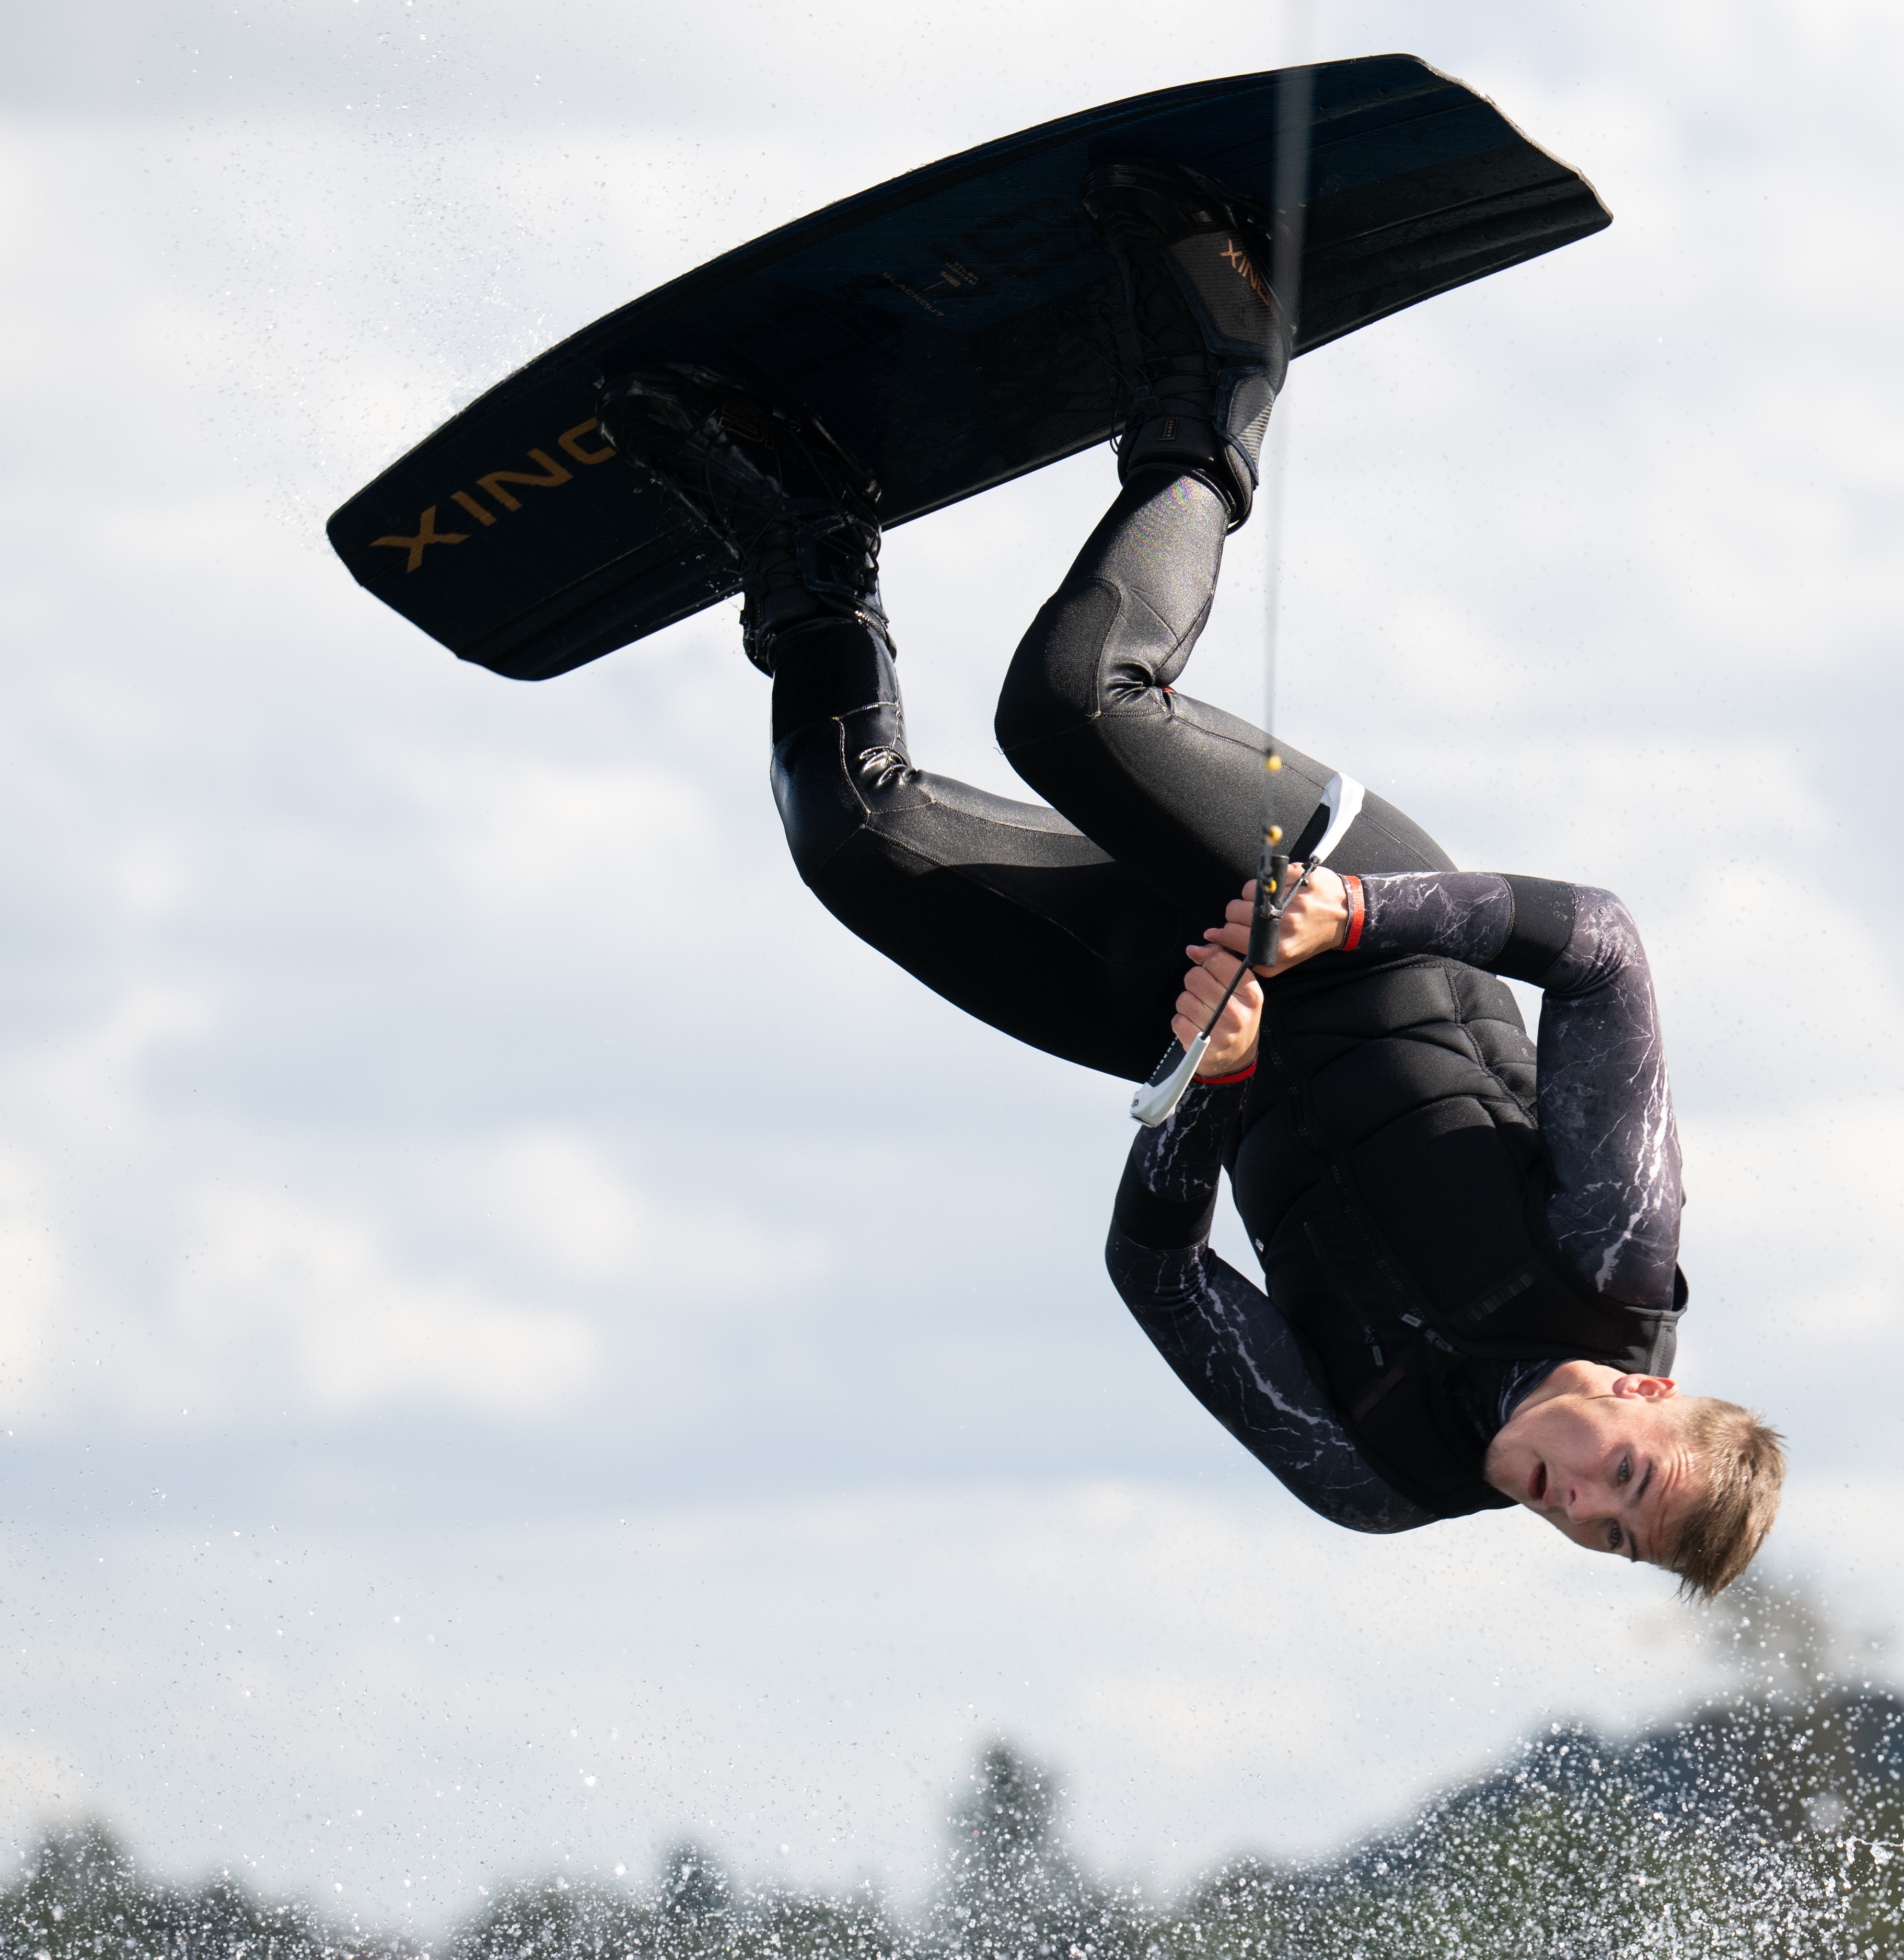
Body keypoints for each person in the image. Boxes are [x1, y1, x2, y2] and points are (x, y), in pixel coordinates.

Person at [596, 161, 1781, 1596]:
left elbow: (1156, 1273)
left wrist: (1209, 1080)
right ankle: (1215, 377)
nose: (1574, 1499)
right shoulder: (1613, 1255)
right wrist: (1350, 914)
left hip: (1197, 1016)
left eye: (1601, 1534)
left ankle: (805, 546)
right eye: (1622, 1482)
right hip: (1356, 918)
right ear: (1648, 1400)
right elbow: (1599, 945)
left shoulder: (1375, 1471)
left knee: (853, 839)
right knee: (1068, 706)